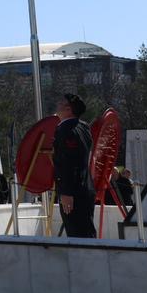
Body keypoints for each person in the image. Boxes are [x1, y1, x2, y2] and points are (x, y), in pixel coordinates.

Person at [52, 94, 96, 238]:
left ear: (68, 109)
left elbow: (68, 163)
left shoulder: (66, 130)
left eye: (61, 102)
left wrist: (66, 192)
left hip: (74, 193)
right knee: (86, 232)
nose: (57, 103)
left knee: (78, 236)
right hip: (85, 188)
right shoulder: (83, 127)